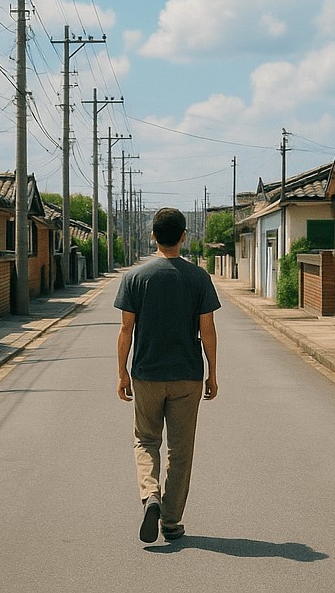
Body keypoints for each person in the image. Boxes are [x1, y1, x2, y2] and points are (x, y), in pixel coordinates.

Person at [115, 207, 220, 544]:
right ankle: (172, 522)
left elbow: (125, 330)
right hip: (188, 376)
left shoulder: (135, 278)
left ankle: (151, 496)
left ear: (153, 236)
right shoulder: (199, 278)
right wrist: (212, 374)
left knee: (146, 440)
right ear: (184, 236)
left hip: (146, 373)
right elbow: (208, 330)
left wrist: (122, 374)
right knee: (180, 450)